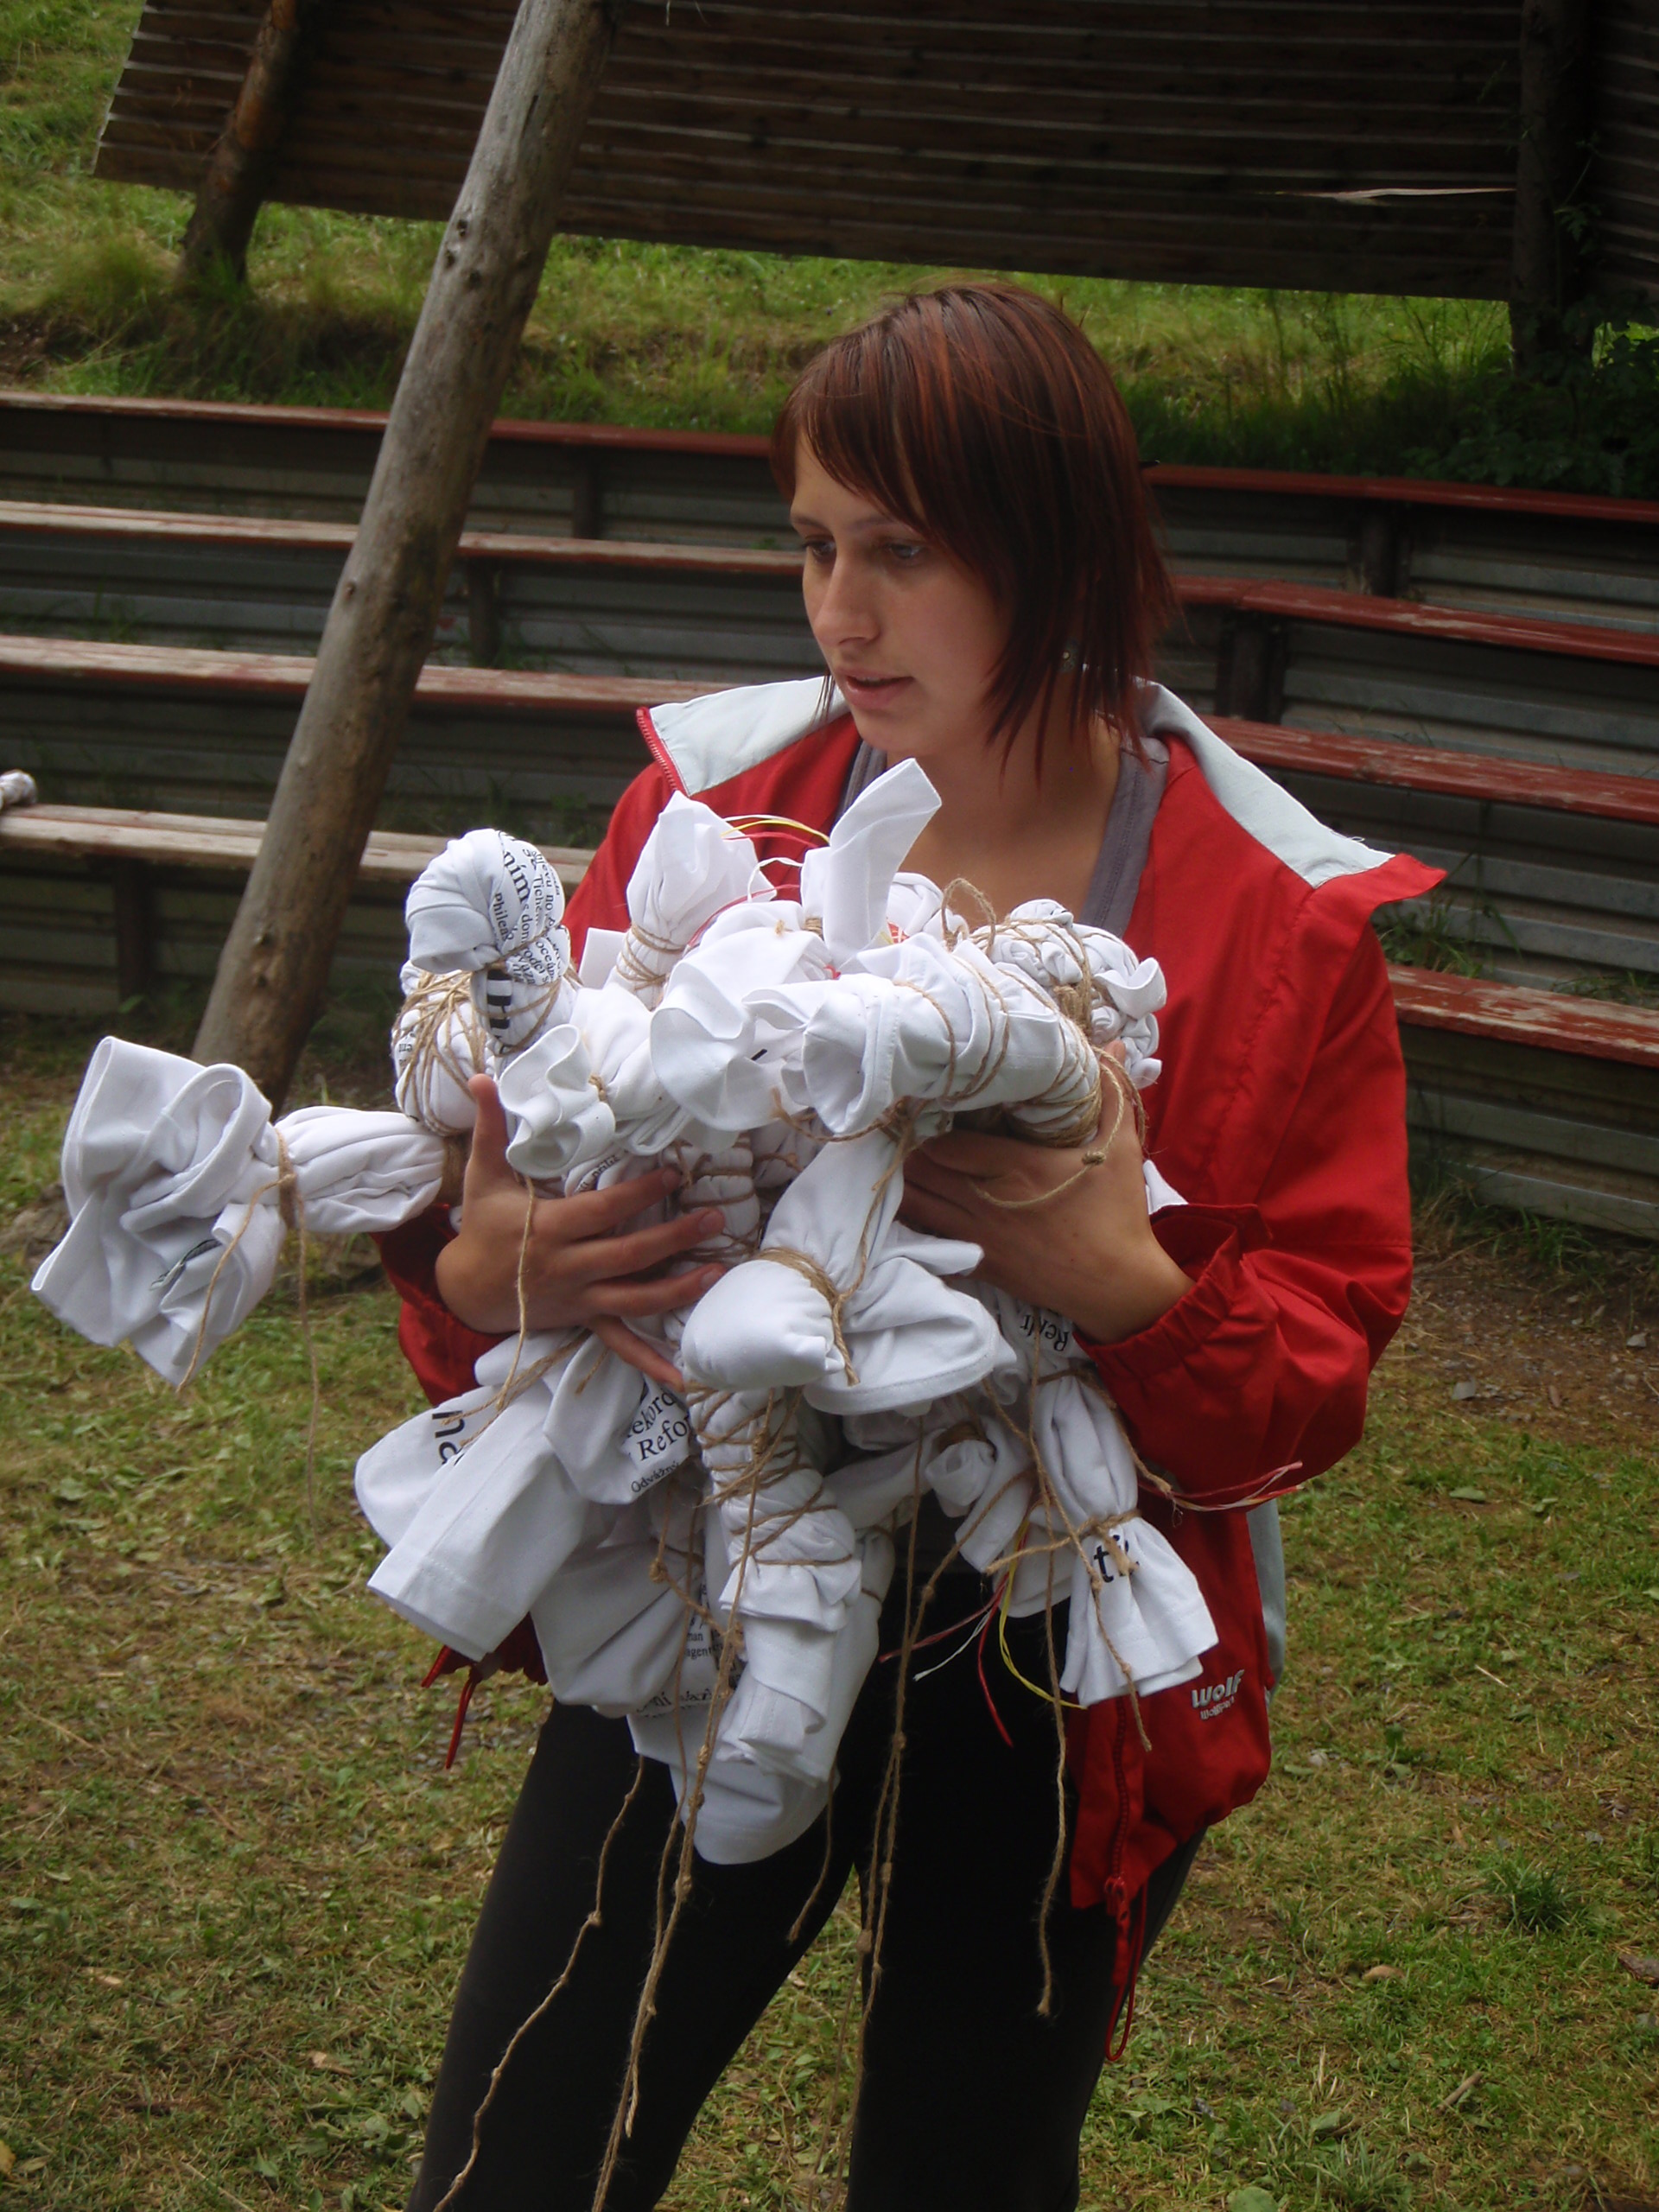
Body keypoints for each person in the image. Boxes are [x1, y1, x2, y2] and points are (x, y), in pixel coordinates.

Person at [381, 282, 1438, 2212]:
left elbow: (1311, 1382)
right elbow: (505, 1212)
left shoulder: (1270, 922)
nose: (840, 614)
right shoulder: (713, 809)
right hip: (704, 1593)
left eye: (902, 553)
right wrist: (487, 1272)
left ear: (1058, 551)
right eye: (813, 546)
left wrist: (1112, 1277)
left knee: (963, 2168)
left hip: (1033, 1657)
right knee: (521, 2156)